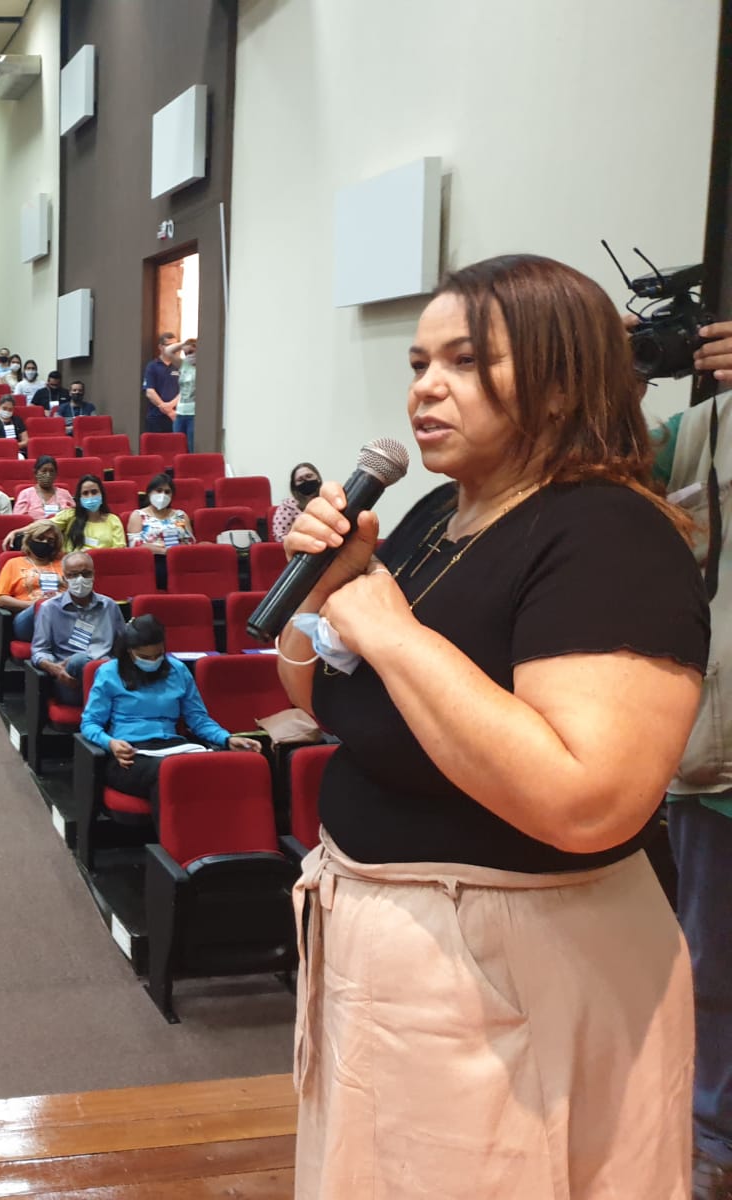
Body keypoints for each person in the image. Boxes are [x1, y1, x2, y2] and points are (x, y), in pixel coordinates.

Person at [275, 254, 708, 1196]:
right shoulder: (437, 513)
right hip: (386, 951)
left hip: (517, 970)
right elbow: (322, 698)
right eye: (420, 363)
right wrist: (325, 590)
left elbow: (588, 799)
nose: (426, 387)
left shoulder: (606, 535)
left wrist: (387, 628)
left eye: (466, 363)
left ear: (560, 384)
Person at [653, 318, 732, 1200]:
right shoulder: (701, 433)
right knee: (711, 966)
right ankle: (713, 1137)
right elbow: (592, 464)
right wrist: (614, 369)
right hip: (722, 759)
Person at [80, 615, 262, 826]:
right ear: (130, 651)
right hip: (129, 754)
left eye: (158, 655)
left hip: (174, 746)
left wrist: (227, 739)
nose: (152, 661)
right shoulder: (109, 672)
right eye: (144, 657)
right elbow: (89, 724)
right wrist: (110, 743)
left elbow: (198, 719)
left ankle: (226, 836)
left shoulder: (177, 670)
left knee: (225, 765)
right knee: (169, 773)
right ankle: (177, 847)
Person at [30, 551, 125, 703]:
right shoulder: (49, 608)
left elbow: (122, 646)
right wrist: (55, 668)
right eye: (74, 575)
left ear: (93, 575)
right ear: (64, 578)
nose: (80, 579)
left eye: (86, 574)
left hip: (106, 672)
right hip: (72, 680)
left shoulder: (109, 605)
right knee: (79, 660)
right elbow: (39, 650)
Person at [14, 475, 126, 553]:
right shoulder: (70, 515)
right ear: (79, 498)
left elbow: (119, 552)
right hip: (71, 570)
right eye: (85, 493)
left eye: (94, 492)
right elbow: (44, 525)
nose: (90, 496)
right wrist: (16, 532)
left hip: (103, 569)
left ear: (102, 495)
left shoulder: (113, 520)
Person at [0, 521, 65, 641]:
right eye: (40, 538)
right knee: (45, 606)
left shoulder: (64, 564)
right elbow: (1, 599)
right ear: (29, 539)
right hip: (28, 616)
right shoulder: (14, 563)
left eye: (50, 540)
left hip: (63, 614)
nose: (45, 543)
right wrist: (33, 605)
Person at [128, 472, 194, 587]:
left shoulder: (180, 515)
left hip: (180, 562)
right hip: (151, 562)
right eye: (159, 490)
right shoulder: (139, 515)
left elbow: (189, 542)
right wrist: (165, 551)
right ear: (149, 493)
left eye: (167, 492)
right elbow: (135, 545)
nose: (163, 495)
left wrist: (174, 552)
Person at [271, 462, 323, 542]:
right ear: (294, 485)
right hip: (302, 549)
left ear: (318, 478)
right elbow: (280, 536)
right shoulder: (288, 505)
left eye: (309, 476)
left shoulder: (328, 499)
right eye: (300, 480)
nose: (306, 481)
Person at [13, 456, 74, 520]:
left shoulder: (65, 494)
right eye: (44, 471)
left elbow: (75, 517)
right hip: (33, 529)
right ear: (36, 473)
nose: (48, 475)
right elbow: (18, 520)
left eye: (51, 471)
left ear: (56, 474)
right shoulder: (25, 494)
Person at [141, 332, 179, 435]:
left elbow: (184, 390)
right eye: (169, 345)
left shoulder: (178, 366)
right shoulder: (152, 366)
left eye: (175, 345)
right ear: (161, 347)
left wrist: (171, 407)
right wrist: (168, 410)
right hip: (156, 417)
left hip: (176, 417)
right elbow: (150, 392)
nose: (173, 349)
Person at [173, 337, 198, 451]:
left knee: (192, 447)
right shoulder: (184, 365)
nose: (188, 355)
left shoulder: (203, 367)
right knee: (177, 446)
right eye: (185, 353)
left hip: (193, 413)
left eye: (191, 352)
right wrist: (184, 344)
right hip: (180, 412)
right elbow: (168, 351)